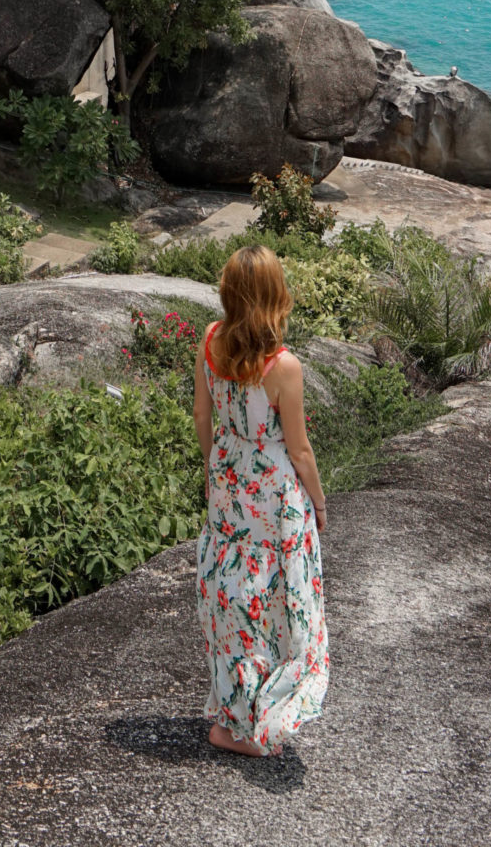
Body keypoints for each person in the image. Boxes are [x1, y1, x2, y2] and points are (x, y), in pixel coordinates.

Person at [194, 242, 329, 757]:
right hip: (273, 495)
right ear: (276, 296)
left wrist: (218, 470)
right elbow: (298, 447)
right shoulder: (283, 366)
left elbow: (202, 417)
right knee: (273, 597)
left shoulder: (209, 341)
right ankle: (253, 718)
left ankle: (237, 711)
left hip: (228, 481)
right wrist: (317, 502)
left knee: (232, 593)